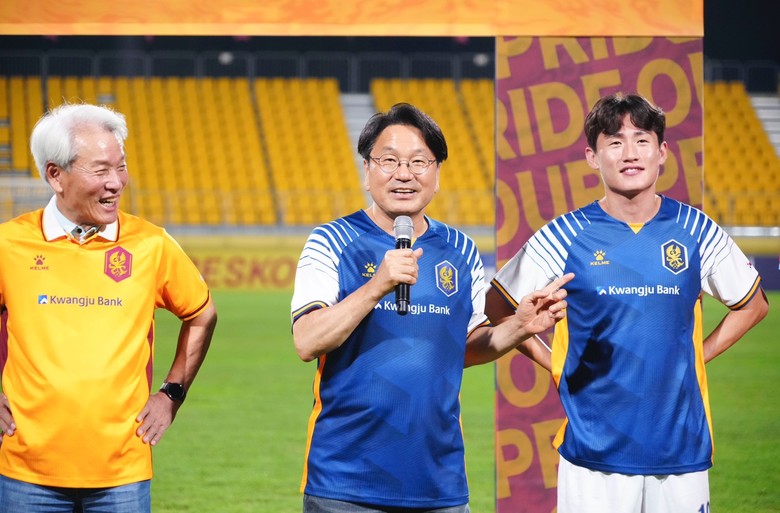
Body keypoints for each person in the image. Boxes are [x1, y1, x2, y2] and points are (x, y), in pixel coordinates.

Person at [486, 92, 769, 513]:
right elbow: (497, 306)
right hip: (592, 454)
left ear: (662, 152)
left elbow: (753, 305)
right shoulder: (564, 235)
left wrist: (697, 355)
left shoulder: (695, 229)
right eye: (615, 142)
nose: (630, 153)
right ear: (592, 157)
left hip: (681, 448)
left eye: (642, 140)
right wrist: (554, 362)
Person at [290, 102, 572, 513]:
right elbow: (307, 341)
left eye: (419, 161)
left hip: (439, 483)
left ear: (437, 173)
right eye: (389, 161)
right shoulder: (331, 241)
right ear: (367, 171)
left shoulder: (461, 250)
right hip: (345, 482)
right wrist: (377, 286)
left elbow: (465, 348)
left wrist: (519, 327)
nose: (404, 174)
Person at [0, 103, 217, 512]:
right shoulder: (8, 244)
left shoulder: (151, 244)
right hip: (26, 472)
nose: (116, 183)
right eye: (100, 170)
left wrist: (172, 393)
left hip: (122, 475)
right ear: (55, 175)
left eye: (121, 167)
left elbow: (202, 315)